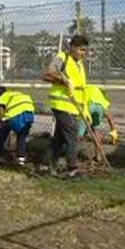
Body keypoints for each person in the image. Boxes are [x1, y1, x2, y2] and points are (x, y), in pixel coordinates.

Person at [41, 35, 89, 178]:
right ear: (73, 47)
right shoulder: (62, 58)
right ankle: (72, 170)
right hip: (62, 104)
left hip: (74, 107)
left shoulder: (79, 65)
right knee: (72, 136)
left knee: (60, 138)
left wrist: (84, 110)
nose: (83, 53)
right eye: (81, 50)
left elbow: (81, 89)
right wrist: (62, 80)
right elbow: (46, 75)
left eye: (85, 51)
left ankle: (47, 165)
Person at [0, 87, 35, 166]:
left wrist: (3, 124)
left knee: (1, 136)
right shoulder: (15, 94)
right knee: (22, 136)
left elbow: (1, 113)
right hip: (29, 114)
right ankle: (21, 159)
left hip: (15, 116)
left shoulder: (1, 98)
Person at [78, 84, 118, 162]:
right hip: (99, 108)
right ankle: (98, 156)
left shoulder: (84, 87)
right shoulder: (102, 97)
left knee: (79, 133)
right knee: (96, 130)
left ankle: (72, 154)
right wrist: (114, 132)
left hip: (88, 105)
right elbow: (109, 117)